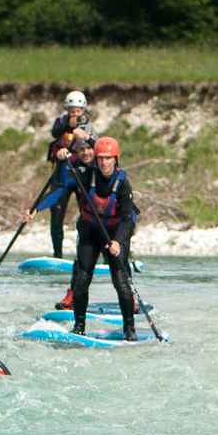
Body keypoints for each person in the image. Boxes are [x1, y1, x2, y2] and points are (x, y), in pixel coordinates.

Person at [25, 136, 138, 340]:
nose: (103, 162)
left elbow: (129, 218)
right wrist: (36, 209)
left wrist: (118, 242)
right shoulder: (85, 175)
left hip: (114, 235)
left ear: (116, 159)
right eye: (100, 158)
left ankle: (129, 329)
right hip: (89, 232)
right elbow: (60, 189)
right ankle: (79, 326)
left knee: (120, 282)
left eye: (108, 158)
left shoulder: (123, 183)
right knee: (81, 279)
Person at [49, 135, 97, 309]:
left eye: (88, 149)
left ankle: (130, 296)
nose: (86, 153)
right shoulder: (75, 171)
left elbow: (102, 152)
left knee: (118, 267)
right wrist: (62, 161)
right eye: (81, 149)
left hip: (109, 226)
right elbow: (59, 187)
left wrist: (89, 138)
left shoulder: (104, 165)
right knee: (80, 266)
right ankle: (72, 296)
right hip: (88, 226)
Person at [46, 90, 94, 262]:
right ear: (67, 110)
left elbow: (95, 147)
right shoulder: (61, 123)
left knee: (88, 214)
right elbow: (55, 132)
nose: (75, 113)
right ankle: (57, 254)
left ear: (83, 110)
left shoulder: (88, 126)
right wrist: (69, 123)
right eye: (72, 110)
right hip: (61, 174)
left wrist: (86, 136)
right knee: (57, 213)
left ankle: (86, 253)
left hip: (81, 175)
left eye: (78, 110)